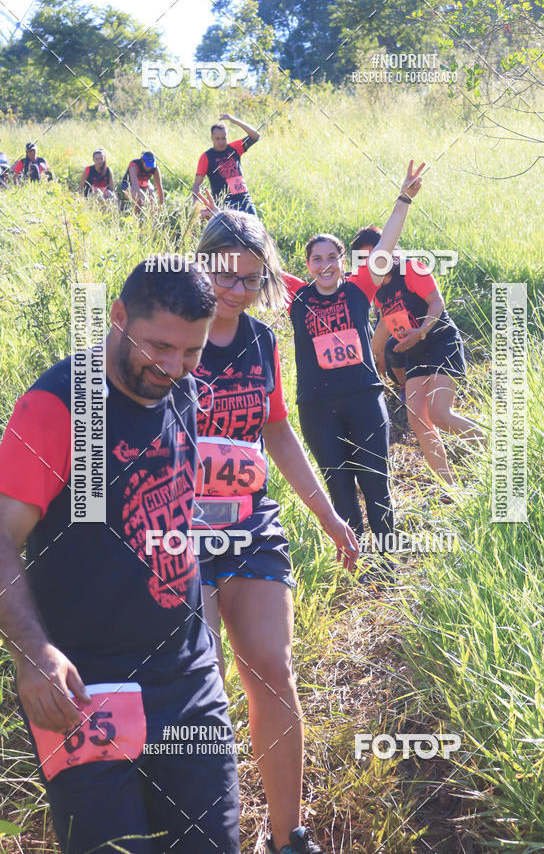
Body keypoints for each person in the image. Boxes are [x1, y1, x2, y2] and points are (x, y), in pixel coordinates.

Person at [0, 259, 240, 853]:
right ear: (117, 317)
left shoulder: (180, 388)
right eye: (160, 346)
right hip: (84, 692)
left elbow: (178, 521)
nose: (173, 366)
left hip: (188, 682)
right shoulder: (61, 407)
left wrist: (206, 641)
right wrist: (33, 656)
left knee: (212, 844)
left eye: (191, 352)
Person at [192, 191, 358, 854]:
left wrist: (328, 514)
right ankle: (204, 830)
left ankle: (288, 836)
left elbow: (278, 431)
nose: (236, 288)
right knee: (201, 678)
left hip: (250, 522)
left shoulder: (262, 339)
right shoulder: (171, 329)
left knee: (270, 665)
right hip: (175, 529)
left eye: (250, 277)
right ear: (199, 267)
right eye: (224, 273)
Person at [279, 162, 424, 553]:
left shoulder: (360, 288)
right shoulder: (297, 296)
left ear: (343, 260)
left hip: (363, 399)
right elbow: (256, 259)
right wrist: (219, 221)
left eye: (332, 257)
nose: (325, 265)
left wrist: (404, 199)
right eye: (316, 259)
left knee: (377, 485)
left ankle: (389, 565)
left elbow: (386, 245)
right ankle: (357, 568)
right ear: (307, 265)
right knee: (340, 492)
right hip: (316, 408)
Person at [372, 238, 486, 488]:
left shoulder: (412, 269)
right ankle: (449, 489)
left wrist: (421, 331)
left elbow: (437, 302)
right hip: (415, 352)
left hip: (440, 341)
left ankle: (498, 451)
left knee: (440, 414)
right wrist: (373, 358)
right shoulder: (379, 289)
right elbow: (383, 322)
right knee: (418, 419)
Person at [352, 225, 408, 392]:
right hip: (398, 332)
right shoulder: (372, 283)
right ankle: (401, 384)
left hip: (422, 333)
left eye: (376, 255)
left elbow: (386, 325)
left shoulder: (407, 273)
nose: (373, 263)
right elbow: (383, 322)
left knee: (391, 345)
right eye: (366, 259)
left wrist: (365, 360)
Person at [192, 113, 260, 215]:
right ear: (212, 138)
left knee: (254, 229)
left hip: (244, 199)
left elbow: (255, 136)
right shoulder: (206, 157)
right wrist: (196, 206)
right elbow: (197, 184)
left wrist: (234, 120)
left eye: (224, 138)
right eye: (217, 139)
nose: (221, 142)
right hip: (224, 203)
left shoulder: (234, 148)